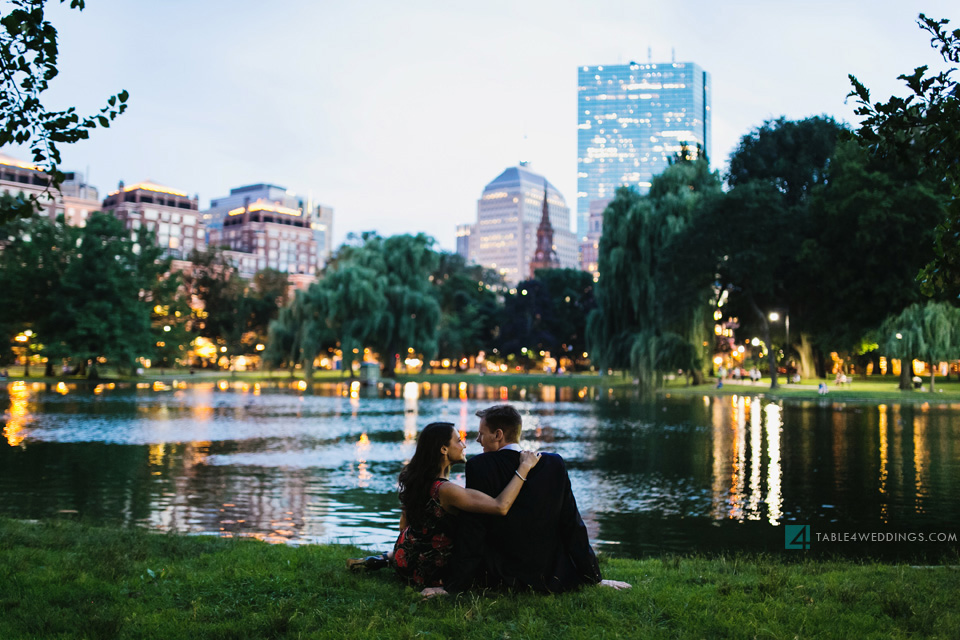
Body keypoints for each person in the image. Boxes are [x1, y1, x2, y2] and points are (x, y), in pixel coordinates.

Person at [428, 404, 630, 597]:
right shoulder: (554, 463)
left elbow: (474, 530)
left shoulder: (479, 466)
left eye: (482, 434)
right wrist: (594, 577)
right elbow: (572, 524)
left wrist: (453, 586)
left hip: (501, 576)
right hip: (550, 575)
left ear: (498, 435)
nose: (478, 440)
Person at [347, 421, 541, 589]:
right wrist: (524, 467)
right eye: (458, 440)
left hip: (404, 556)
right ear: (443, 449)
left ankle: (385, 558)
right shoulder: (445, 490)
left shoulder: (417, 480)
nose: (464, 445)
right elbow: (501, 506)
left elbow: (404, 525)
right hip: (426, 571)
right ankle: (385, 558)